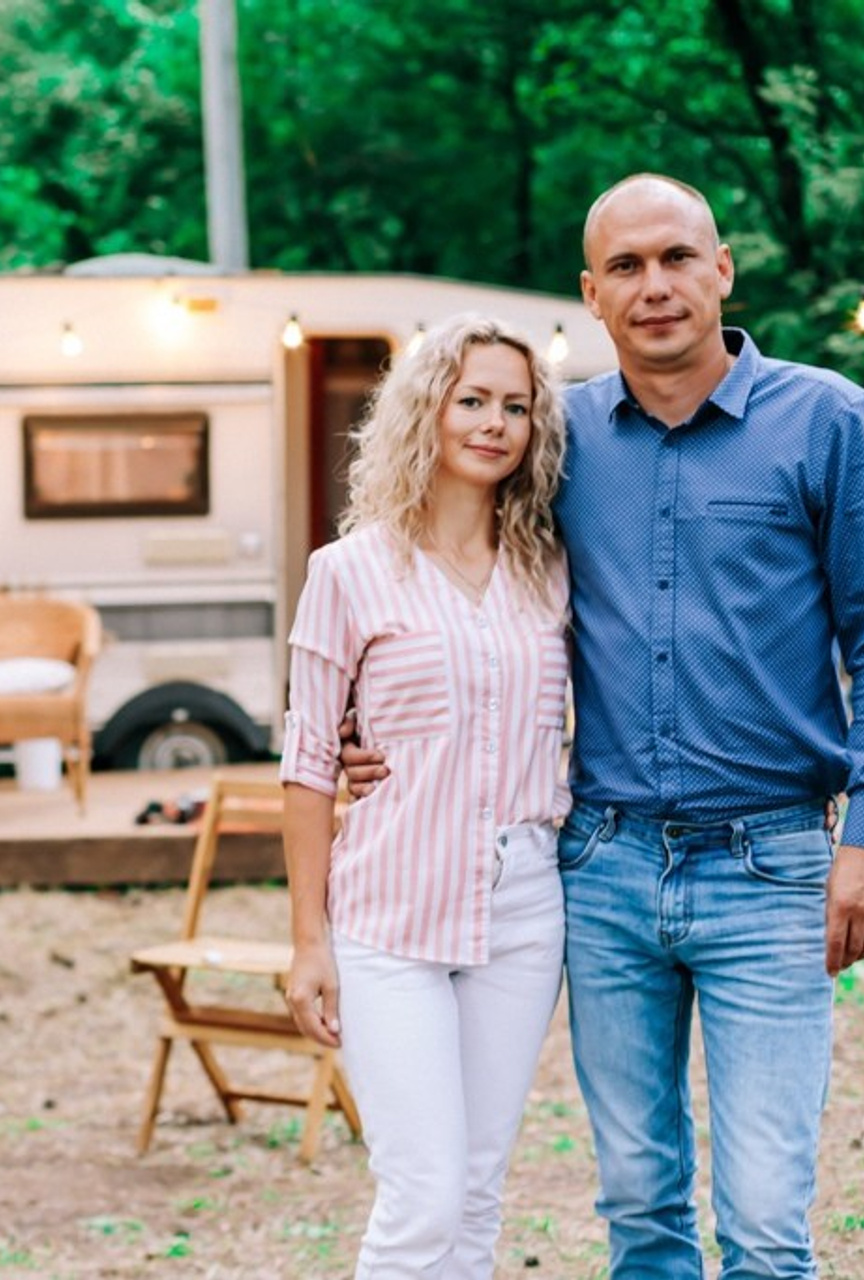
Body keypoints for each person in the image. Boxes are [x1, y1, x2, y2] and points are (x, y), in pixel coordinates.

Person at [340, 173, 864, 1279]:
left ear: (722, 269)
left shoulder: (827, 421)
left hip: (770, 866)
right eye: (625, 266)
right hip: (602, 866)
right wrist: (362, 723)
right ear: (590, 294)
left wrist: (860, 838)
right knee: (637, 1205)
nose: (654, 285)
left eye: (676, 258)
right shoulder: (555, 438)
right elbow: (451, 577)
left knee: (766, 1221)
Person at [281, 313, 571, 1278]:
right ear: (425, 412)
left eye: (516, 407)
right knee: (424, 1196)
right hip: (390, 915)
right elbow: (308, 762)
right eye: (472, 400)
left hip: (523, 909)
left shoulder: (549, 571)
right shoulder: (348, 572)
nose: (495, 423)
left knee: (479, 1191)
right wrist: (309, 942)